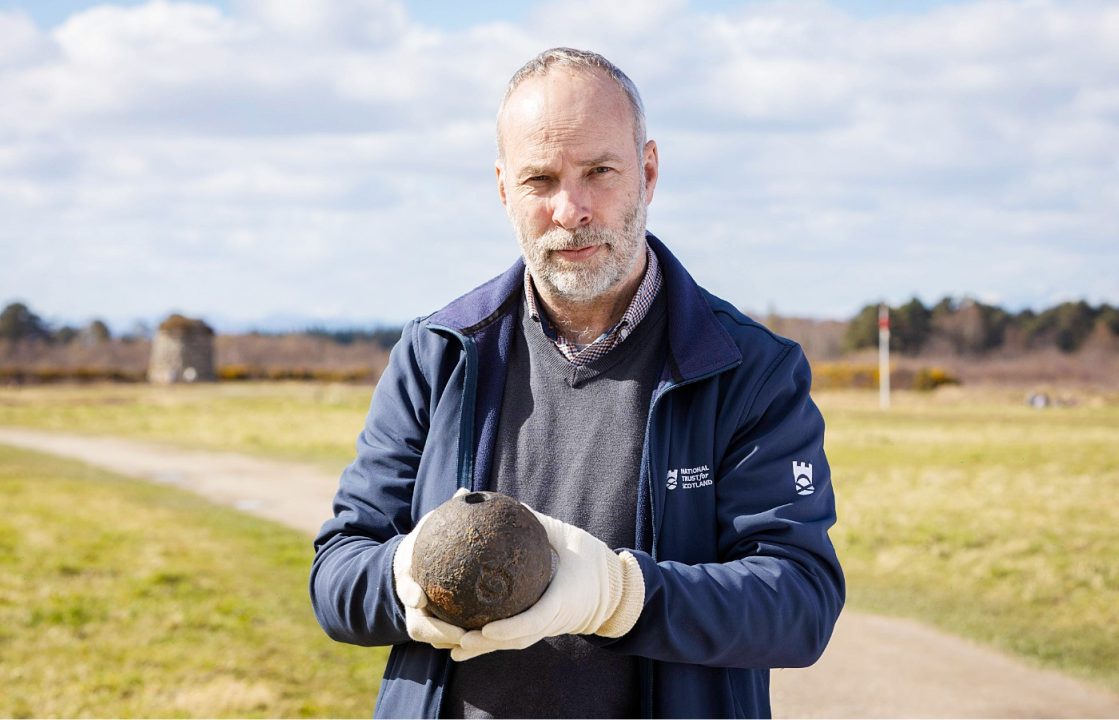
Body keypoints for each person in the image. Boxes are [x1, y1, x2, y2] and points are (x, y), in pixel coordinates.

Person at [310, 47, 844, 719]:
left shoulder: (749, 370)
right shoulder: (439, 353)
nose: (571, 209)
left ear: (647, 173)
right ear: (503, 189)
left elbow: (798, 602)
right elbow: (335, 575)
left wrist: (619, 595)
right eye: (540, 180)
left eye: (599, 171)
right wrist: (404, 579)